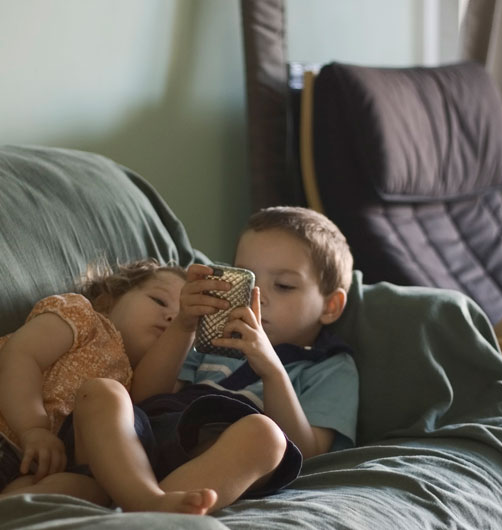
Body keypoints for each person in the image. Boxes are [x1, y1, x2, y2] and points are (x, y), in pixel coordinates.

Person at [0, 258, 231, 530]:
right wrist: (34, 427)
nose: (170, 316)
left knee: (84, 489)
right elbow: (20, 357)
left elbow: (151, 396)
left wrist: (185, 326)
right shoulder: (83, 316)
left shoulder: (127, 382)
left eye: (178, 314)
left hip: (30, 465)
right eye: (160, 301)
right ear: (110, 297)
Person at [39, 205, 359, 514]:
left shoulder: (331, 366)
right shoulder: (210, 337)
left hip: (216, 457)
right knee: (102, 391)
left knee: (267, 436)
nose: (257, 296)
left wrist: (271, 369)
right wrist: (182, 327)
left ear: (330, 306)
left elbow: (309, 452)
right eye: (246, 280)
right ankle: (144, 499)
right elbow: (145, 397)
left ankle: (146, 508)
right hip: (144, 441)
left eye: (284, 285)